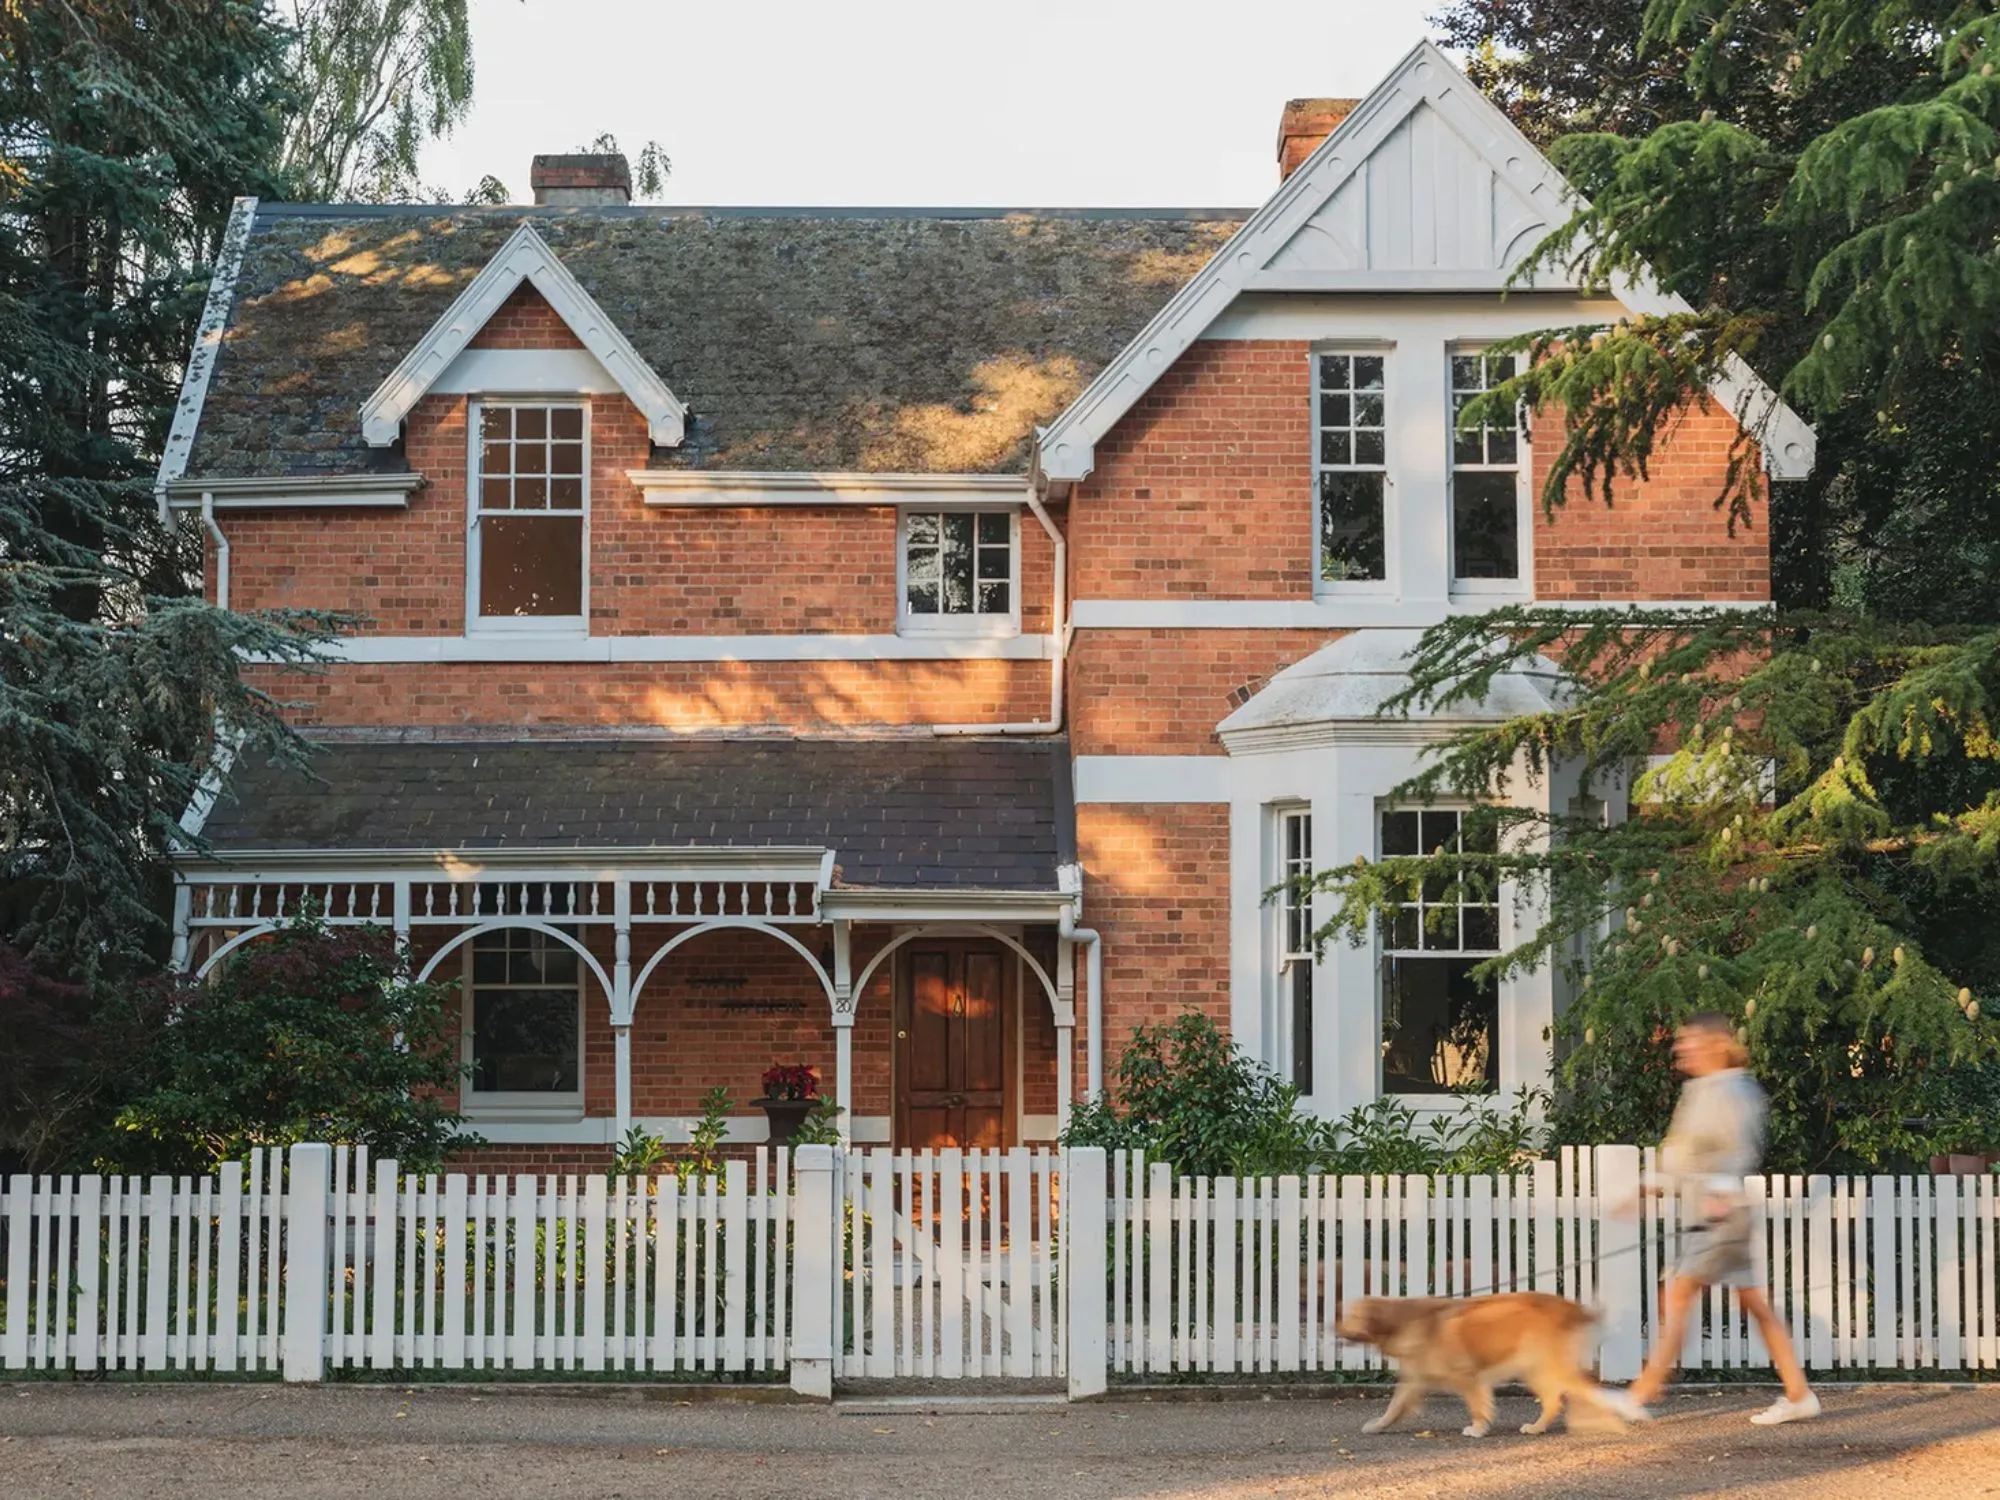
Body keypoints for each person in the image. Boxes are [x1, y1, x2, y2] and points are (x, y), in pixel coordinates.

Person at [1621, 1011, 1820, 1425]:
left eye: (1688, 1040)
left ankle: (1641, 1393)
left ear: (1714, 1044)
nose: (1680, 1047)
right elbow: (1682, 1150)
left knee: (1677, 1294)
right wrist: (1649, 1186)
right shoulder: (1700, 1089)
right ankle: (1799, 1394)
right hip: (1715, 1211)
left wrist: (1720, 1190)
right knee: (1755, 1304)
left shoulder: (1734, 1089)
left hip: (1720, 1213)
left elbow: (1739, 1147)